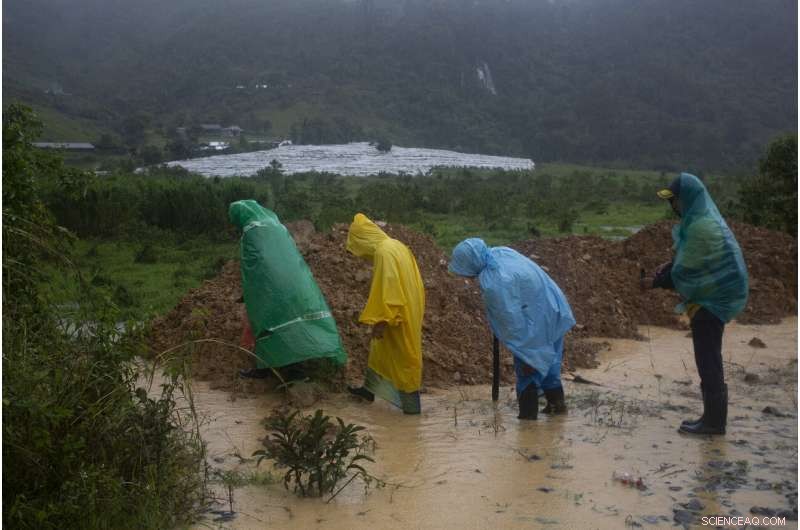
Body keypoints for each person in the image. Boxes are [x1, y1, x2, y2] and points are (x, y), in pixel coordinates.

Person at [642, 173, 748, 435]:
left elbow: (684, 271)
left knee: (708, 359)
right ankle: (712, 418)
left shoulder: (701, 227)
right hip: (712, 297)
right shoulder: (702, 221)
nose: (673, 206)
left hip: (711, 301)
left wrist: (656, 281)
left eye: (675, 200)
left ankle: (714, 423)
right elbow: (686, 261)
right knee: (709, 357)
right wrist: (669, 268)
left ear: (688, 198)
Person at [448, 238, 576, 420]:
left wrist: (526, 354)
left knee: (527, 374)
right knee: (550, 367)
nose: (465, 277)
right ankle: (557, 411)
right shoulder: (501, 252)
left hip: (534, 321)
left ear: (471, 263)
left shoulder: (494, 283)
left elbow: (512, 324)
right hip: (553, 308)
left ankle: (528, 425)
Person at [229, 200, 347, 378]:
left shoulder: (250, 231)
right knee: (292, 320)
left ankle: (266, 368)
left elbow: (253, 268)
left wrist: (250, 293)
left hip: (269, 288)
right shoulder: (277, 226)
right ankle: (296, 367)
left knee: (266, 324)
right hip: (296, 282)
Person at [345, 213, 425, 415]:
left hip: (397, 314)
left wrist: (381, 322)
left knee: (405, 359)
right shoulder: (396, 245)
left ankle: (412, 411)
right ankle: (369, 390)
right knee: (379, 351)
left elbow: (390, 289)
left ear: (363, 240)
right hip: (409, 306)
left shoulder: (383, 252)